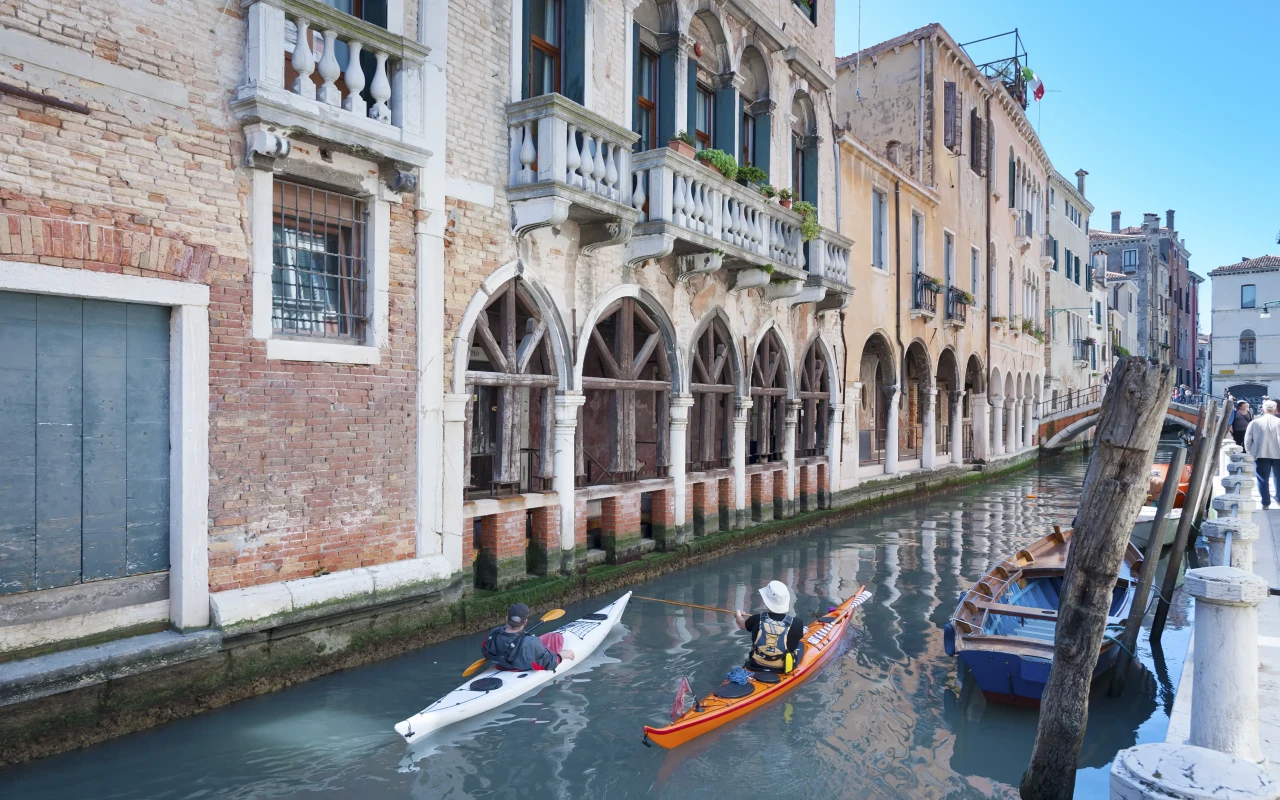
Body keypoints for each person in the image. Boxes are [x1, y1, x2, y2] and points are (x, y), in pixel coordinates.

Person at [481, 602, 574, 672]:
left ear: (506, 618)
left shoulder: (493, 633)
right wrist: (562, 655)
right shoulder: (532, 642)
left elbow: (484, 651)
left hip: (501, 665)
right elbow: (550, 663)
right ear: (525, 622)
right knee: (556, 638)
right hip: (517, 668)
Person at [735, 581, 804, 672]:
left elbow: (741, 625)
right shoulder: (797, 623)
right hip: (783, 667)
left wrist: (738, 615)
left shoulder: (756, 619)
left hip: (756, 664)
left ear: (766, 600)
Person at [1244, 400, 1280, 509]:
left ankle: (1265, 503)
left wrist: (1250, 453)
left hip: (1261, 454)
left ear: (1263, 409)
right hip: (1278, 454)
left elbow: (1247, 440)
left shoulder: (1254, 423)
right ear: (1275, 409)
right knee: (1279, 478)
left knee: (1263, 479)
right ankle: (1279, 499)